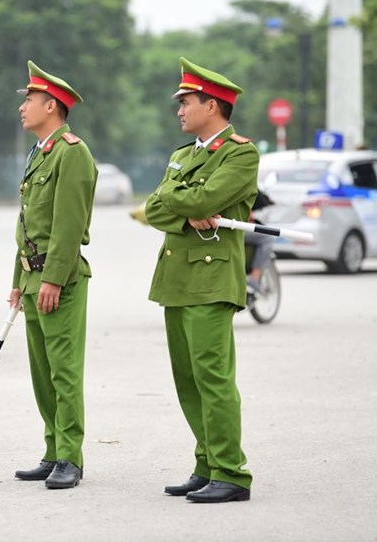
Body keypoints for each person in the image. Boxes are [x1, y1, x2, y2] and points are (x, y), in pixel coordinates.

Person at [141, 57, 258, 503]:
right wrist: (187, 213)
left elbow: (207, 196)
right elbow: (153, 210)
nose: (180, 111)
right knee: (187, 377)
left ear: (212, 105)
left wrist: (177, 197)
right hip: (176, 278)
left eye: (186, 102)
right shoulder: (182, 155)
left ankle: (232, 472)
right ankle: (207, 462)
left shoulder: (240, 152)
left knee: (213, 376)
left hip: (212, 278)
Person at [8, 61, 97, 490]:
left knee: (63, 370)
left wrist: (54, 280)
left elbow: (66, 225)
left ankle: (70, 457)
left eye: (28, 100)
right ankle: (52, 449)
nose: (22, 107)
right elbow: (28, 223)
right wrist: (16, 279)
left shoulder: (72, 153)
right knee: (42, 372)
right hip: (31, 278)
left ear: (50, 105)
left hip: (57, 280)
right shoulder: (40, 152)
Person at [244, 189, 275, 293]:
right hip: (235, 228)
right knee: (267, 237)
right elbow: (258, 198)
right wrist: (267, 200)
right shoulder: (243, 174)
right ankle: (254, 279)